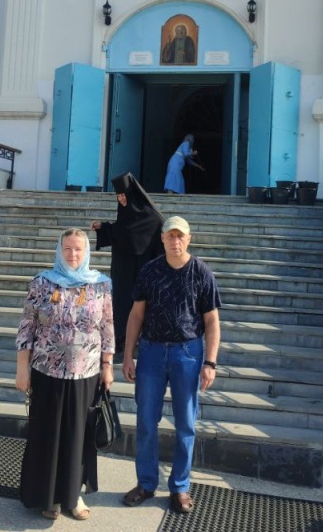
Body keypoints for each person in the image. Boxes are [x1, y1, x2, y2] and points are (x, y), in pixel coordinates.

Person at [121, 216, 221, 515]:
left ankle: (180, 487)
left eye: (180, 236)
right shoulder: (150, 271)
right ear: (162, 239)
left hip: (187, 353)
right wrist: (128, 354)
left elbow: (212, 320)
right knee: (146, 422)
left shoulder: (202, 272)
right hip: (151, 352)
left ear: (189, 238)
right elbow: (136, 315)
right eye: (169, 236)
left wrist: (211, 362)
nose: (175, 241)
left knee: (185, 425)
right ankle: (147, 482)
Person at [15, 229, 115, 522]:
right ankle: (50, 496)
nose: (73, 255)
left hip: (86, 373)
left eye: (78, 250)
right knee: (48, 434)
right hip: (47, 372)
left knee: (78, 436)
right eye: (68, 249)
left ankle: (73, 494)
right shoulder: (42, 283)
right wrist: (23, 368)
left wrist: (108, 366)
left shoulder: (100, 285)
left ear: (87, 252)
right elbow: (26, 327)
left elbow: (108, 328)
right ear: (60, 251)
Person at [91, 172, 164, 356]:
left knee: (141, 306)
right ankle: (121, 341)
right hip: (122, 272)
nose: (122, 198)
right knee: (121, 305)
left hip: (142, 271)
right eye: (119, 195)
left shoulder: (153, 218)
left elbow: (159, 239)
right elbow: (121, 230)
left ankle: (140, 342)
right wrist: (103, 227)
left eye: (124, 194)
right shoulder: (125, 215)